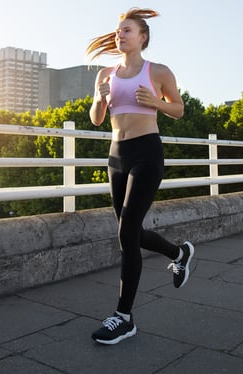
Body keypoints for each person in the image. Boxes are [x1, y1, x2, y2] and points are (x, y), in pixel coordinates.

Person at [86, 7, 194, 345]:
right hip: (116, 157)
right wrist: (101, 101)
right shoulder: (105, 74)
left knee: (128, 231)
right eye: (119, 31)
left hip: (147, 152)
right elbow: (96, 119)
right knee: (129, 232)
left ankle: (123, 317)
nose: (120, 35)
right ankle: (179, 254)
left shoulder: (158, 71)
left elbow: (178, 109)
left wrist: (156, 102)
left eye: (127, 31)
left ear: (143, 37)